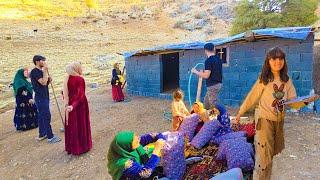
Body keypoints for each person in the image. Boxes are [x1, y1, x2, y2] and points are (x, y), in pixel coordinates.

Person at [235, 47, 319, 180]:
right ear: (268, 61)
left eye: (281, 58)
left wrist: (305, 101)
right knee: (263, 157)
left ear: (284, 61)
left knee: (269, 156)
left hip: (278, 122)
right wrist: (240, 112)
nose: (277, 61)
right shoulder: (265, 78)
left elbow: (292, 102)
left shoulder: (287, 80)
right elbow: (252, 96)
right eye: (274, 58)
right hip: (264, 121)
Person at [30, 55, 61, 143]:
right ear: (37, 61)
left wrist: (48, 79)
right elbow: (43, 83)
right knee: (46, 116)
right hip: (40, 97)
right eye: (42, 60)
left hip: (45, 96)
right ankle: (50, 137)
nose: (44, 62)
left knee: (41, 116)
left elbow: (45, 83)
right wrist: (45, 72)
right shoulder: (34, 71)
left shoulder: (40, 71)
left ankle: (42, 134)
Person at [63, 62, 92, 155]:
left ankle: (72, 147)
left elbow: (64, 92)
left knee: (73, 125)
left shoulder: (68, 78)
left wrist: (69, 104)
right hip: (79, 106)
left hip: (70, 104)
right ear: (76, 68)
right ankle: (82, 147)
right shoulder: (79, 79)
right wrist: (73, 105)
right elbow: (81, 95)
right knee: (80, 125)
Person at [191, 43, 223, 109]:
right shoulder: (218, 59)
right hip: (218, 84)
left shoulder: (208, 61)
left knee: (213, 105)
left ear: (205, 50)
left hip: (212, 86)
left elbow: (206, 76)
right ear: (214, 49)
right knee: (206, 103)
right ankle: (205, 115)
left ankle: (219, 117)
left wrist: (195, 72)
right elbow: (213, 71)